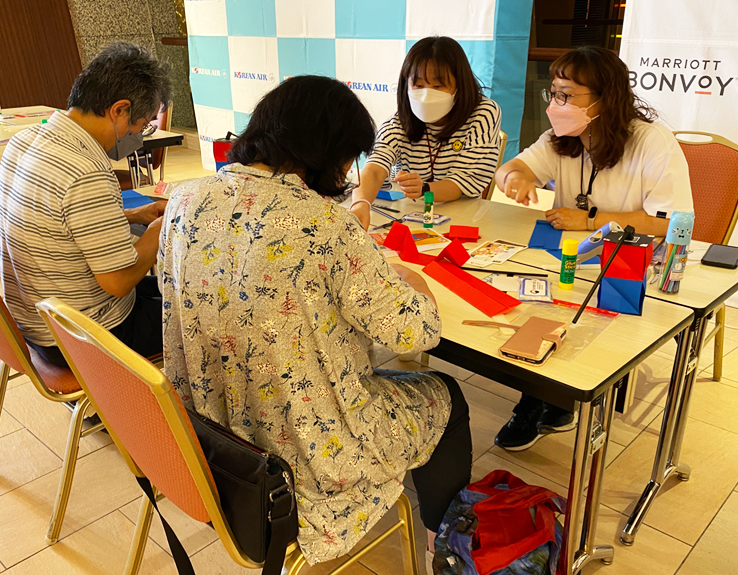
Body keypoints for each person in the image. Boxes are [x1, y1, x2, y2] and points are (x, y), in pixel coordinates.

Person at [159, 76, 472, 569]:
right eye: (347, 158)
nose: (347, 172)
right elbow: (414, 332)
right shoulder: (325, 224)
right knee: (446, 396)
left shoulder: (185, 199)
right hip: (307, 461)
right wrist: (412, 282)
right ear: (327, 152)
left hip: (210, 439)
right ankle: (446, 547)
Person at [493, 46, 694, 451]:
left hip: (636, 263)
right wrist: (514, 178)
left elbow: (670, 223)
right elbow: (514, 167)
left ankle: (542, 399)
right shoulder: (562, 138)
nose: (556, 104)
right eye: (553, 93)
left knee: (565, 308)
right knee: (527, 294)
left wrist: (590, 219)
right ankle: (548, 395)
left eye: (567, 95)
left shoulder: (651, 143)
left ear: (605, 98)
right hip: (575, 256)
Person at [0, 42, 172, 367]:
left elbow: (57, 220)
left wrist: (133, 214)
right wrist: (159, 230)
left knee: (171, 290)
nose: (139, 137)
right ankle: (170, 413)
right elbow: (117, 283)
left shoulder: (25, 140)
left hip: (36, 317)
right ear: (119, 110)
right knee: (207, 310)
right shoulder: (85, 171)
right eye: (141, 125)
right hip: (87, 337)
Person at [350, 36, 501, 231]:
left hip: (465, 218)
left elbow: (465, 180)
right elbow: (375, 167)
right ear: (407, 85)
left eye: (438, 86)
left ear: (459, 84)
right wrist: (361, 203)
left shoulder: (483, 113)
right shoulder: (400, 122)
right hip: (413, 216)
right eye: (419, 85)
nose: (427, 94)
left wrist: (424, 188)